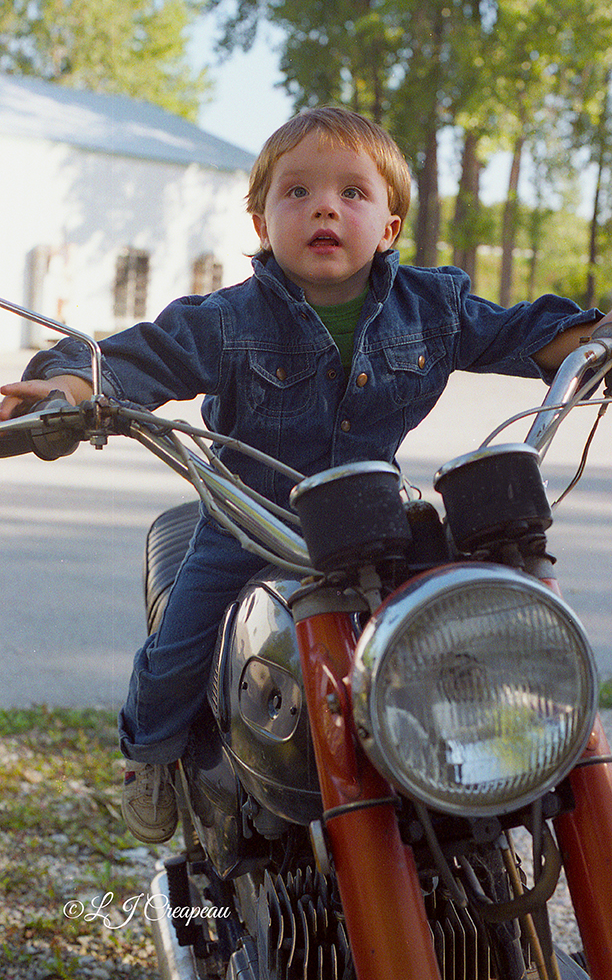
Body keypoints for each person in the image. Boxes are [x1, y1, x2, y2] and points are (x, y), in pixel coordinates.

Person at [1, 107, 610, 844]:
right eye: (298, 193)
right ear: (262, 222)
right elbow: (135, 358)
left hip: (371, 516)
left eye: (353, 192)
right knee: (182, 641)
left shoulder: (433, 306)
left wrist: (591, 342)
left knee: (465, 618)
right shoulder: (227, 319)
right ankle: (151, 754)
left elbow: (529, 332)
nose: (325, 205)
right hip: (250, 520)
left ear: (389, 226)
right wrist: (72, 392)